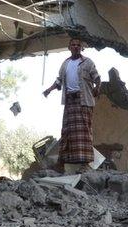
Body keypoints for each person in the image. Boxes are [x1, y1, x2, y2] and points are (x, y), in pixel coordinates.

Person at [42, 38, 101, 173]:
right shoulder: (65, 64)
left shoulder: (87, 62)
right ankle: (62, 163)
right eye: (73, 45)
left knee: (84, 132)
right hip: (69, 101)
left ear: (81, 48)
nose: (75, 47)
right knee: (67, 131)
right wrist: (49, 90)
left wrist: (98, 87)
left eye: (78, 45)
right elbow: (59, 81)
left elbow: (97, 77)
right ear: (69, 47)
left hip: (84, 100)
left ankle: (85, 164)